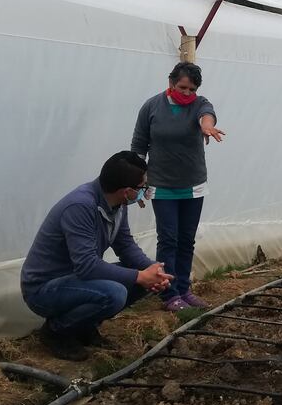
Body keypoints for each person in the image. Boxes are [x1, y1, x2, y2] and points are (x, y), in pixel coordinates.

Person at [20, 152, 173, 361]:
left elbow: (125, 246)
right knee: (116, 292)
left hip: (76, 281)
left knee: (137, 282)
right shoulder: (80, 206)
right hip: (44, 289)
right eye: (142, 187)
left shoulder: (117, 204)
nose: (144, 192)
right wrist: (140, 276)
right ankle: (56, 332)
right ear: (127, 191)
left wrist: (153, 270)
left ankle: (85, 327)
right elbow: (86, 266)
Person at [131, 62, 224, 313]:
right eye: (182, 87)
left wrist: (206, 125)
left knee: (186, 240)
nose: (186, 93)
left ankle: (184, 289)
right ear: (171, 82)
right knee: (168, 239)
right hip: (161, 185)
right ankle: (168, 293)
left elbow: (207, 113)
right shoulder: (152, 107)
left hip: (193, 186)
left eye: (191, 89)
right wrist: (137, 180)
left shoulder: (199, 103)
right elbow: (139, 145)